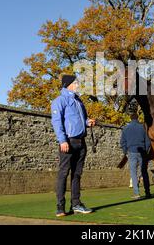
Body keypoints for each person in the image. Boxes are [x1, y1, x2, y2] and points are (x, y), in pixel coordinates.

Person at [51, 74, 96, 217]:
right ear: (68, 84)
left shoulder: (79, 101)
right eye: (76, 83)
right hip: (68, 142)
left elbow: (81, 119)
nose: (78, 85)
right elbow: (57, 122)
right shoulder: (59, 101)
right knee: (63, 173)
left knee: (77, 174)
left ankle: (76, 203)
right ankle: (60, 206)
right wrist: (62, 140)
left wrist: (88, 122)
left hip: (81, 142)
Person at [120, 112, 152, 199]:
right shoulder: (142, 128)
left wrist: (125, 151)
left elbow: (122, 142)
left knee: (133, 173)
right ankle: (147, 192)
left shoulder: (126, 128)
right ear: (137, 118)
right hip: (142, 152)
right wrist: (145, 150)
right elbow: (148, 141)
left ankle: (136, 193)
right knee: (144, 172)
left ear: (130, 119)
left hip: (131, 152)